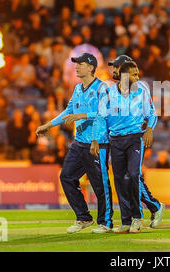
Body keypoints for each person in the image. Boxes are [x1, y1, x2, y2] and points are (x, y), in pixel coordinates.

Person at [36, 53, 113, 234]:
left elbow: (104, 113)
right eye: (76, 64)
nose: (76, 67)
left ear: (91, 67)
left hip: (98, 142)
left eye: (81, 64)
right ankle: (84, 217)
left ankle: (106, 222)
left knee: (100, 184)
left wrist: (81, 116)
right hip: (80, 143)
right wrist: (48, 125)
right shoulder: (78, 89)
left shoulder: (102, 88)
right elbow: (68, 111)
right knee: (67, 177)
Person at [91, 60, 160, 233]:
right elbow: (100, 118)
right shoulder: (108, 93)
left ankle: (137, 218)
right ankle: (126, 221)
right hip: (116, 140)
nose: (138, 77)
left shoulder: (141, 91)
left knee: (134, 175)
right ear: (124, 75)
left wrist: (149, 129)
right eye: (134, 74)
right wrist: (95, 140)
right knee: (120, 180)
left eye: (137, 73)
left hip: (135, 138)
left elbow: (151, 113)